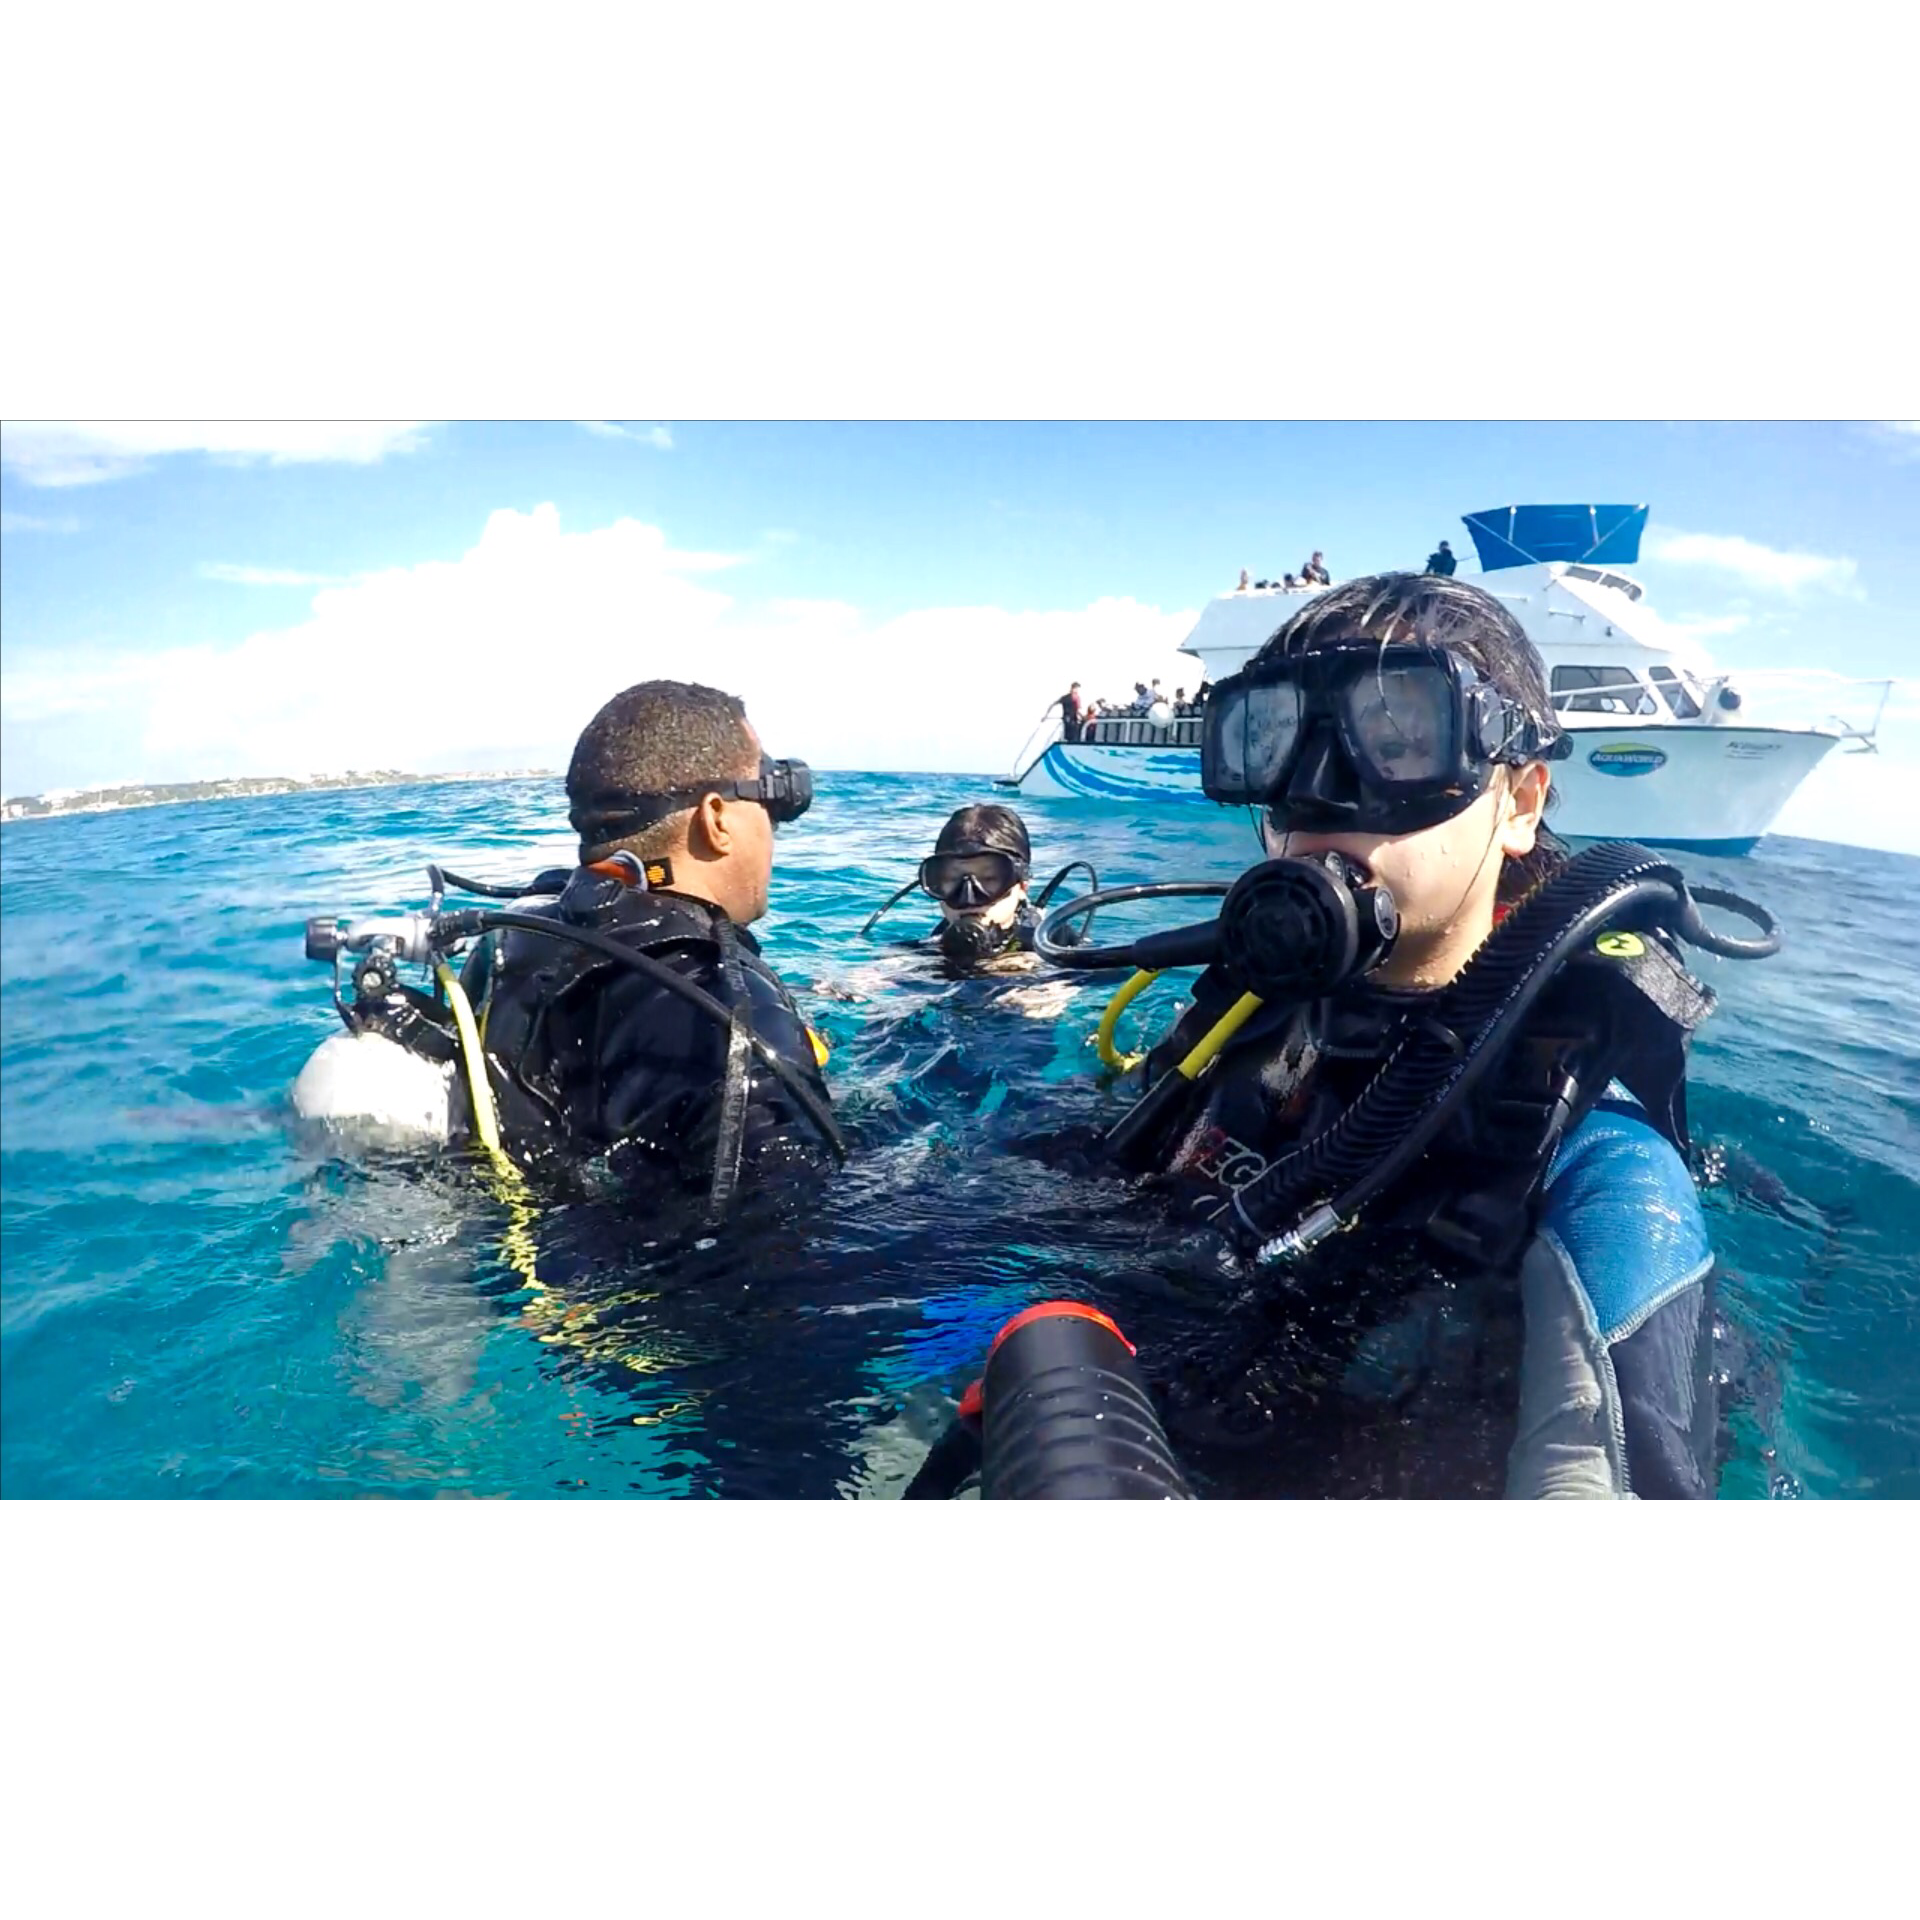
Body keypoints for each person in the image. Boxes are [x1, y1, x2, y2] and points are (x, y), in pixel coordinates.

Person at [1098, 573, 1738, 1499]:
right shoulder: (1243, 1019)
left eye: (1398, 745)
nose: (1317, 799)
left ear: (1520, 803)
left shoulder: (1597, 1159)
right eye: (1277, 746)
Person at [293, 679, 840, 1212]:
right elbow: (788, 1251)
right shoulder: (733, 1016)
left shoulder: (514, 938)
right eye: (766, 800)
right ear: (716, 818)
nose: (773, 827)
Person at [861, 804, 1095, 975]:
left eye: (989, 879)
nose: (969, 897)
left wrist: (1047, 982)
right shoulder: (924, 951)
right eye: (951, 879)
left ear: (1022, 885)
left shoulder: (1055, 942)